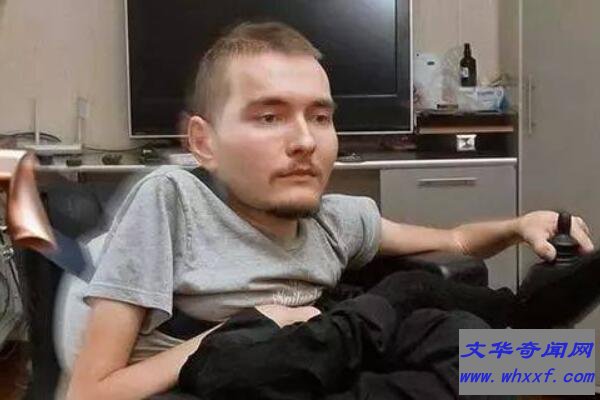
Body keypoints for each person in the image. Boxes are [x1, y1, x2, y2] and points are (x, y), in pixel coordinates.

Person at [66, 22, 595, 400]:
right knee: (405, 300)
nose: (305, 141)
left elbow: (455, 240)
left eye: (320, 117)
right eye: (269, 117)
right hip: (237, 376)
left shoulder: (334, 219)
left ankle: (538, 331)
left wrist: (520, 226)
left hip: (336, 362)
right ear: (204, 142)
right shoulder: (172, 200)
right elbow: (91, 391)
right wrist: (240, 329)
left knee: (551, 367)